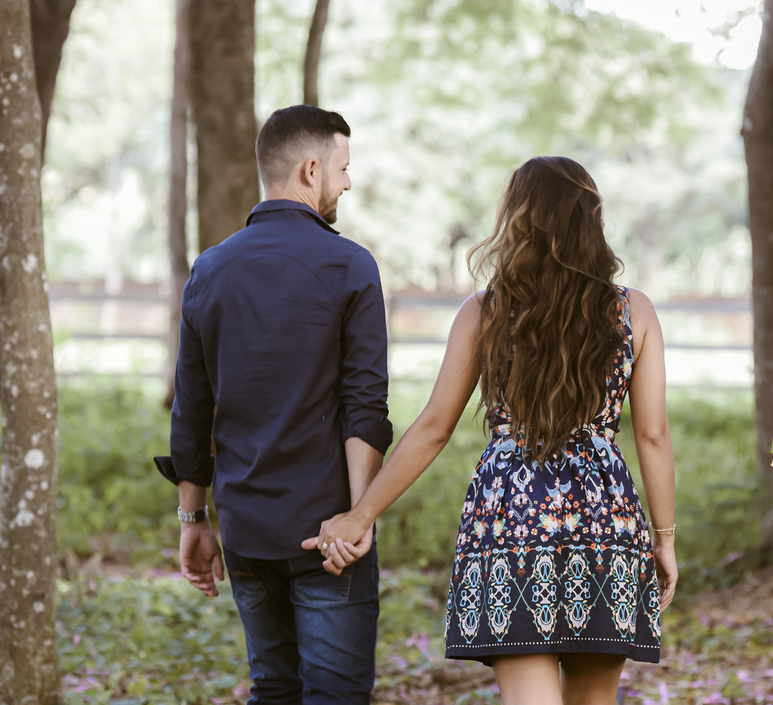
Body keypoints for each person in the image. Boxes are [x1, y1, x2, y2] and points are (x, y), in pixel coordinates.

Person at [306, 156, 677, 704]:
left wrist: (361, 515)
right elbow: (653, 435)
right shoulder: (633, 312)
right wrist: (664, 539)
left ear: (517, 220)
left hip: (509, 522)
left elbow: (434, 429)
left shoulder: (485, 312)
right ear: (591, 221)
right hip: (607, 526)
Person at [154, 104, 393, 704]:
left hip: (247, 531)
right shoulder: (351, 266)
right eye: (343, 168)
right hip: (329, 534)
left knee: (274, 689)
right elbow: (365, 407)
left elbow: (191, 411)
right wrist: (358, 518)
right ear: (311, 170)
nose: (347, 182)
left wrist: (193, 521)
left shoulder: (209, 270)